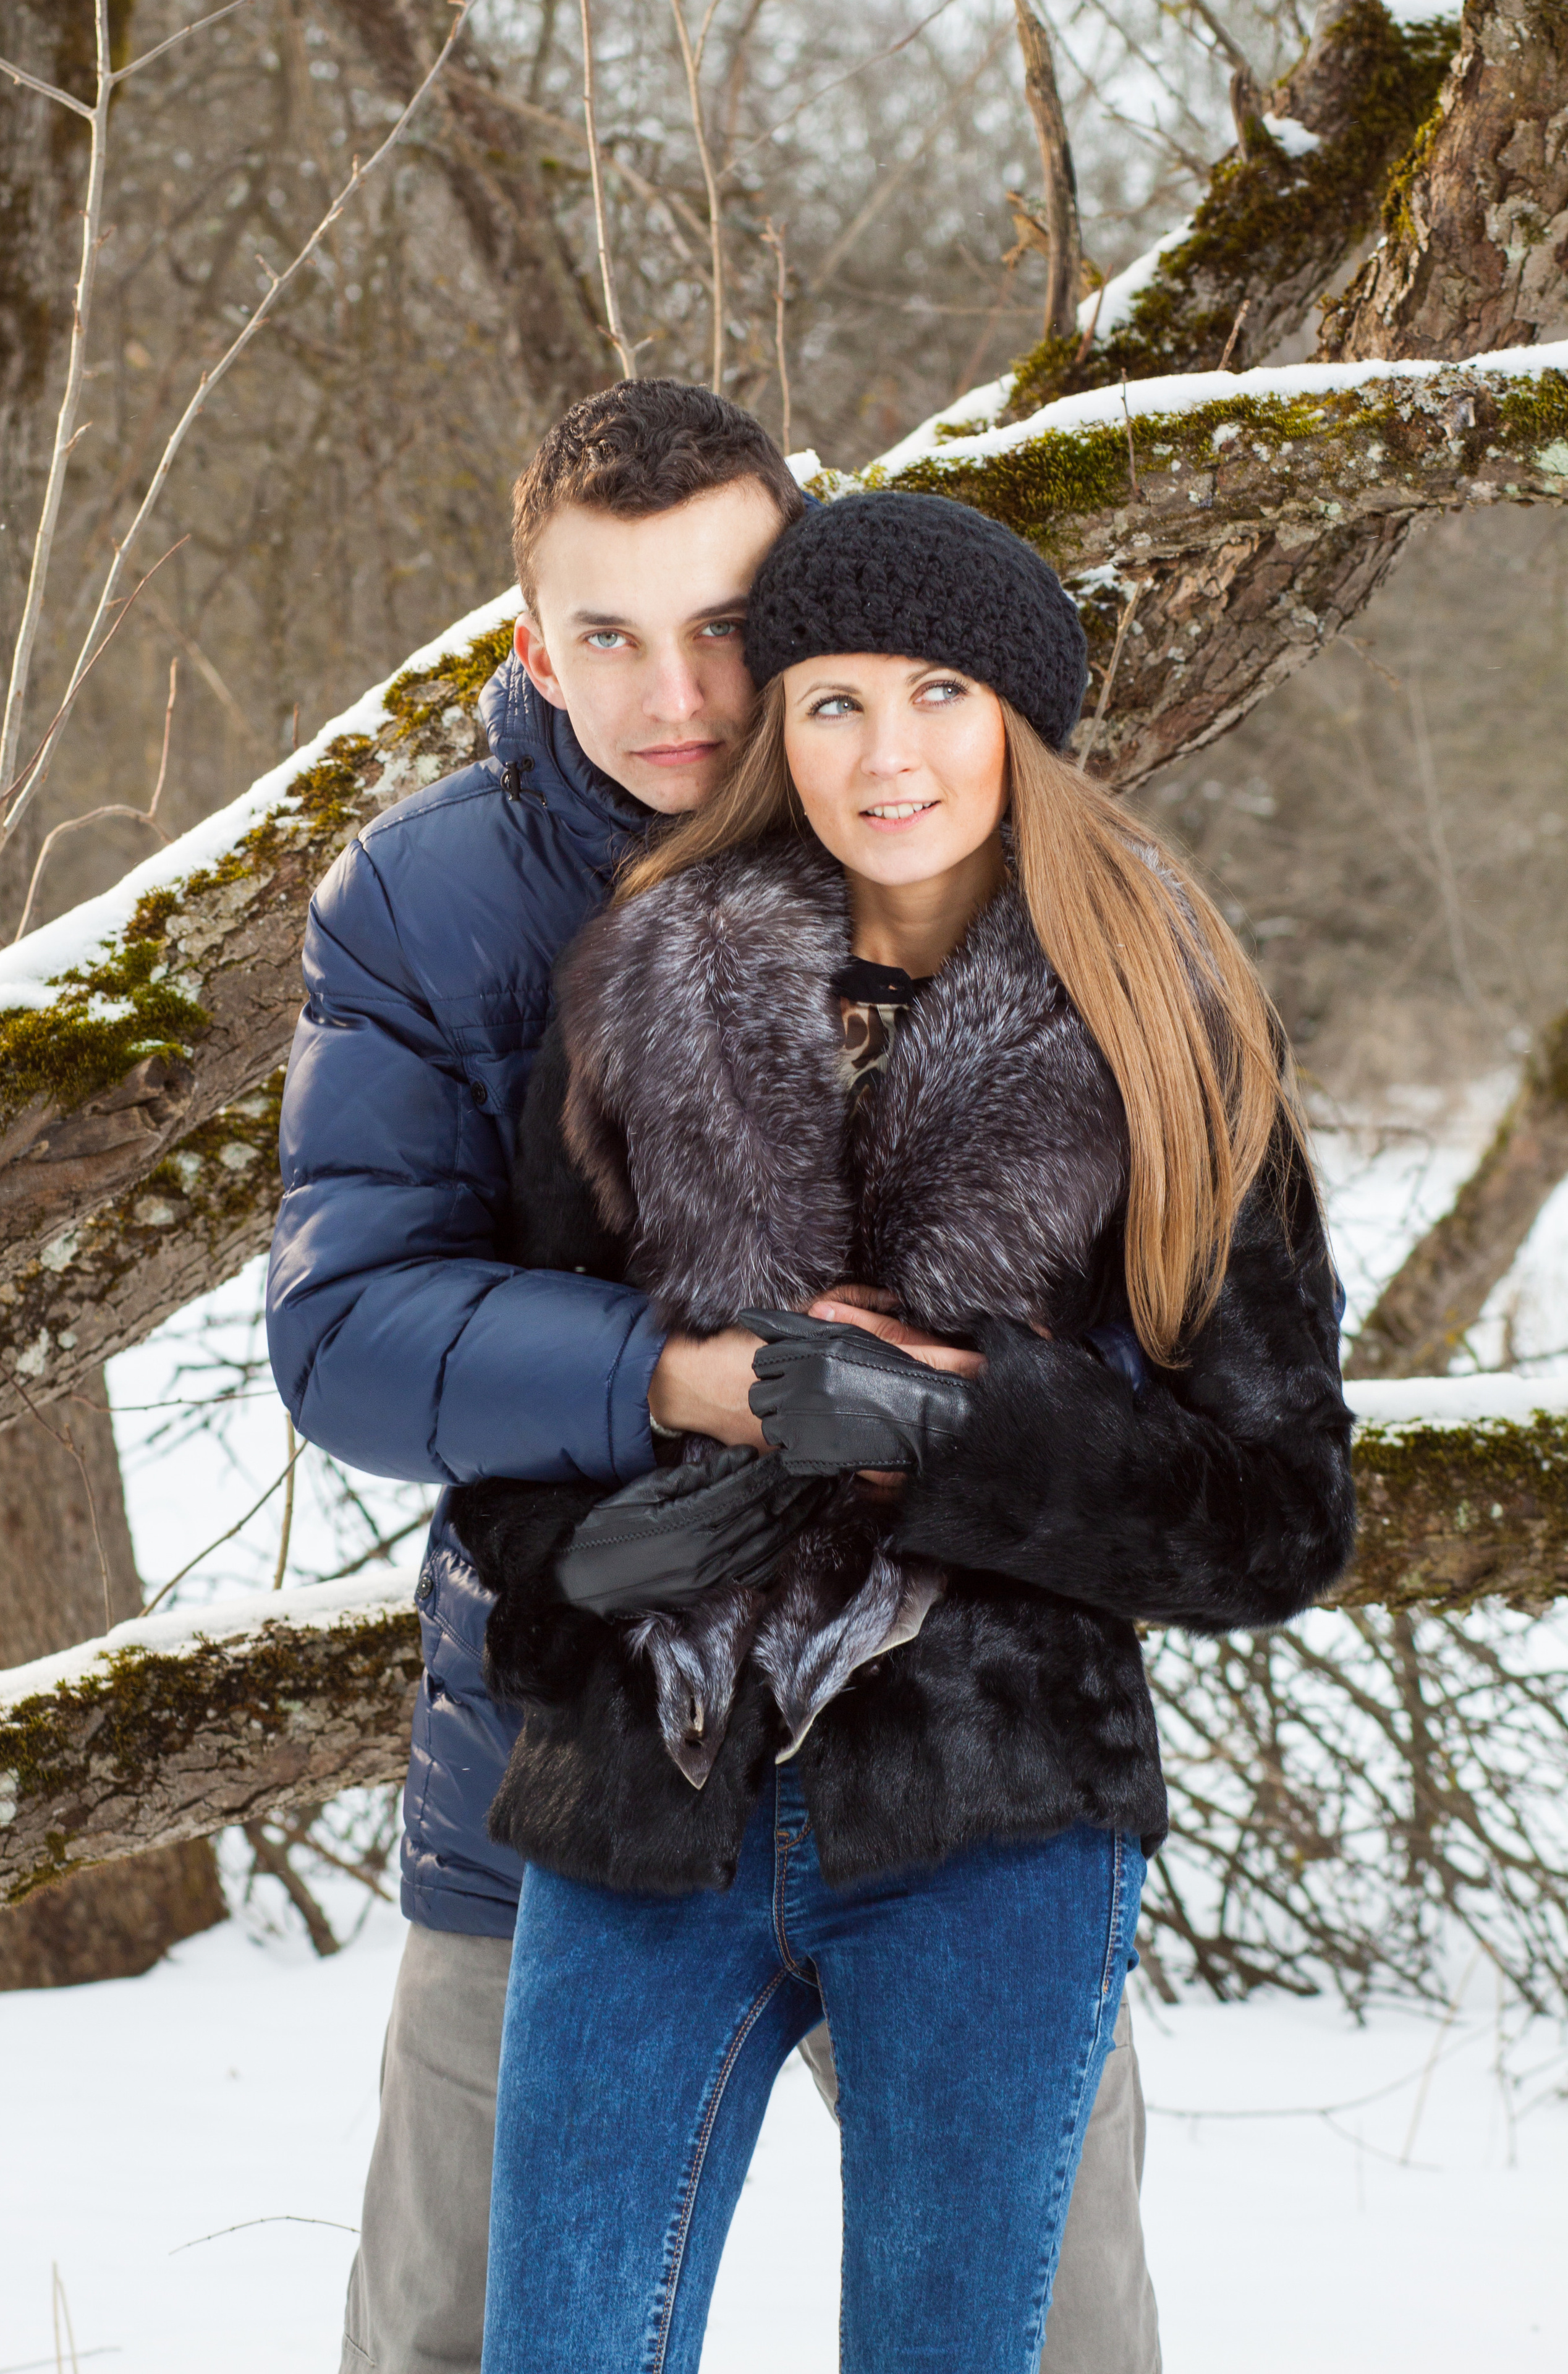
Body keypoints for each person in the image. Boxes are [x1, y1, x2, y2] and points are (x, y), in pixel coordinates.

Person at [267, 386, 1162, 2373]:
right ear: (529, 645)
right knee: (459, 2330)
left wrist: (968, 1418)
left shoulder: (993, 853)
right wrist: (696, 1381)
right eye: (607, 633)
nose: (677, 691)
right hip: (567, 1756)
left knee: (1057, 2329)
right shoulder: (428, 901)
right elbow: (348, 1331)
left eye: (727, 619)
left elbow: (1158, 1356)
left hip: (964, 1758)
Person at [460, 490, 1357, 2373]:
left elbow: (1280, 1515)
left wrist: (962, 1433)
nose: (890, 755)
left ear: (1020, 721)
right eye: (834, 701)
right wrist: (571, 1570)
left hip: (993, 1814)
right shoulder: (641, 994)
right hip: (642, 1794)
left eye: (940, 693)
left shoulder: (1168, 1040)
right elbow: (531, 1413)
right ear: (774, 730)